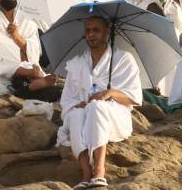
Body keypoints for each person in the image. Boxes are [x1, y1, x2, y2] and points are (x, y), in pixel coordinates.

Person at [61, 15, 143, 188]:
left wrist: (110, 93)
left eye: (96, 30)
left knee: (97, 107)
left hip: (115, 115)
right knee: (75, 114)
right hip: (85, 113)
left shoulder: (123, 59)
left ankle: (99, 171)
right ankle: (86, 174)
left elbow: (134, 98)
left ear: (108, 31)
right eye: (88, 31)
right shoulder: (77, 63)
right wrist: (79, 104)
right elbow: (67, 99)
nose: (91, 34)